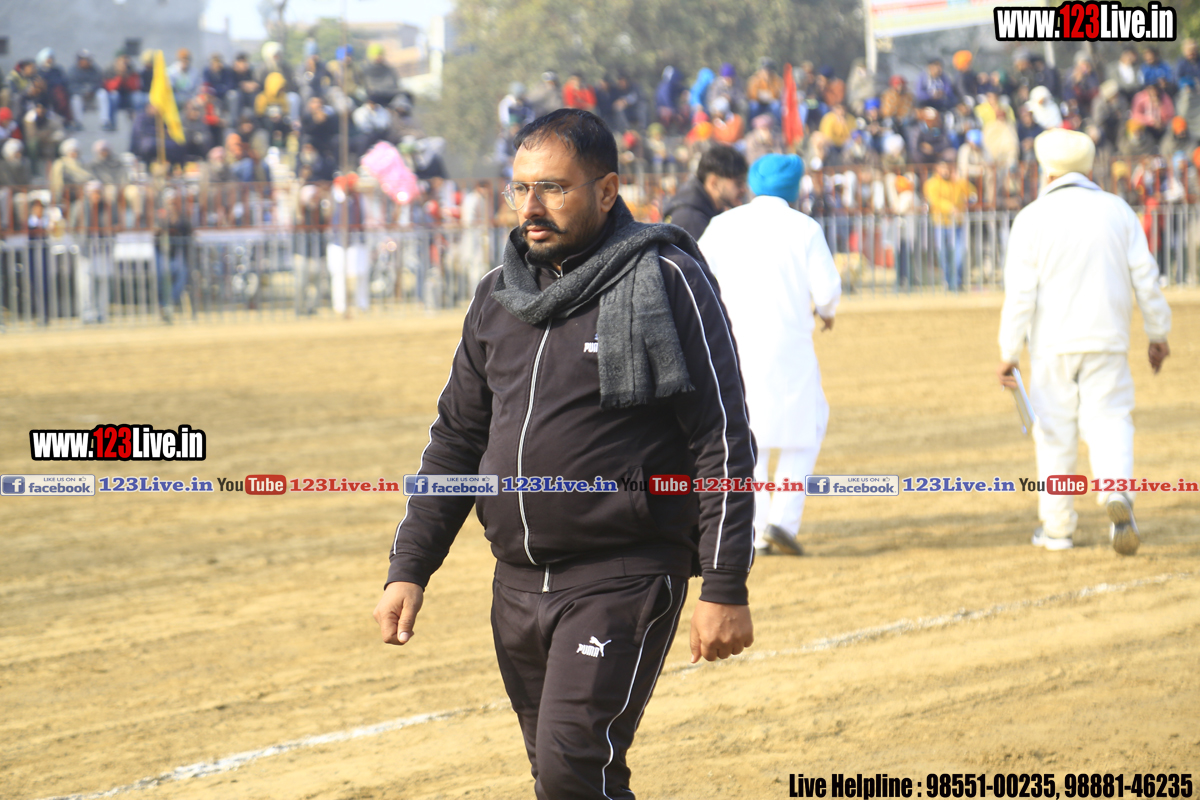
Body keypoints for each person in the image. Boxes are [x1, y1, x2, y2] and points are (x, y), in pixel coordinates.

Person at [373, 108, 755, 800]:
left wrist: (724, 585)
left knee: (570, 771)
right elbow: (457, 440)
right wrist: (410, 566)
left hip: (623, 574)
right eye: (520, 189)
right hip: (516, 585)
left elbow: (721, 437)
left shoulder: (667, 279)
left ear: (607, 191)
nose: (530, 207)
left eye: (552, 188)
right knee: (570, 779)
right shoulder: (498, 295)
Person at [998, 128, 1172, 555]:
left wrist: (1008, 352)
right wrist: (1157, 334)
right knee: (1110, 420)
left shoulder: (1031, 218)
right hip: (1107, 338)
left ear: (1047, 171)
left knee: (1054, 433)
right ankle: (1117, 493)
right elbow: (1146, 279)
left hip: (1051, 345)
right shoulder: (1117, 211)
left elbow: (1020, 294)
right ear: (1089, 169)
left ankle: (1058, 529)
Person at [697, 153, 840, 556]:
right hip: (789, 345)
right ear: (793, 188)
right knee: (808, 425)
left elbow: (697, 273)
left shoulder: (722, 225)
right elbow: (827, 291)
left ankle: (757, 529)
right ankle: (783, 521)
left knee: (747, 432)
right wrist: (827, 313)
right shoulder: (805, 228)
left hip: (731, 345)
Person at [661, 144, 748, 240]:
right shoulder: (691, 220)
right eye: (738, 183)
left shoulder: (702, 210)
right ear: (714, 182)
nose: (743, 189)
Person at [923, 157, 973, 290]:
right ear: (937, 169)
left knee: (959, 253)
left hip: (956, 224)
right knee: (942, 254)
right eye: (943, 168)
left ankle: (957, 282)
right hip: (940, 223)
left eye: (947, 168)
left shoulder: (956, 182)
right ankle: (947, 281)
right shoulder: (931, 183)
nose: (945, 171)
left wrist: (961, 180)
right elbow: (935, 201)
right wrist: (951, 208)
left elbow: (971, 193)